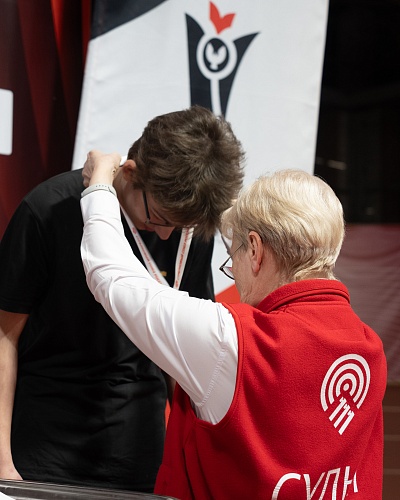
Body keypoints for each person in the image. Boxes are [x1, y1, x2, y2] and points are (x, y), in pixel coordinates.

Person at [80, 153, 387, 500]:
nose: (235, 274)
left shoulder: (234, 342)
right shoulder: (369, 347)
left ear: (255, 250)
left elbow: (112, 277)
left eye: (233, 257)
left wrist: (100, 182)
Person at [0, 106, 245, 492]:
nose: (164, 236)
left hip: (140, 452)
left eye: (179, 226)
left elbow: (182, 353)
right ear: (130, 172)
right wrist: (3, 462)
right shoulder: (49, 208)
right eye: (158, 218)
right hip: (46, 448)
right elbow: (4, 336)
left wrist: (194, 462)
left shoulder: (187, 228)